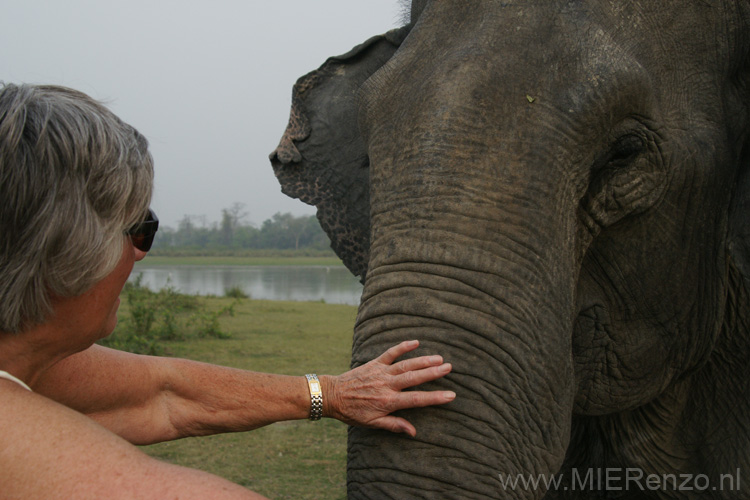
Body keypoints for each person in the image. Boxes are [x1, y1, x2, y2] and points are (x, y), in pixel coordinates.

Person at [0, 83, 455, 499]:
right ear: (71, 244)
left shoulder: (29, 365)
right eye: (141, 229)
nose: (140, 255)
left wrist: (333, 394)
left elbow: (165, 394)